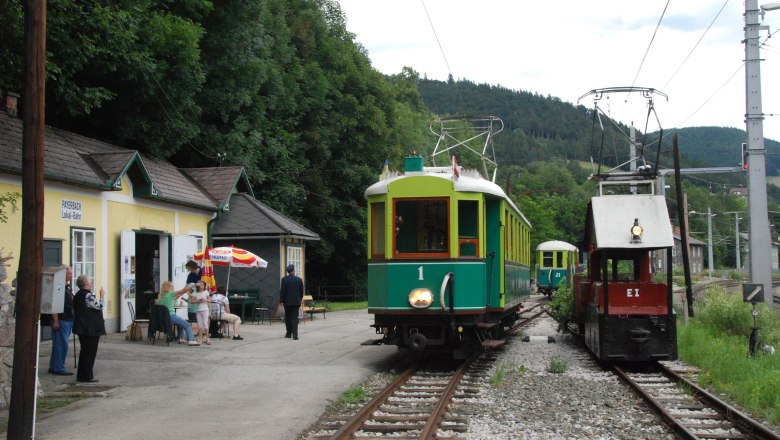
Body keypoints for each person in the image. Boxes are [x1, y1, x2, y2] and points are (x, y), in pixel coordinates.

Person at [73, 275, 106, 383]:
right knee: (90, 352)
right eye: (91, 282)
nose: (92, 284)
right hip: (90, 328)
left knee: (84, 352)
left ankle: (82, 375)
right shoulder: (87, 295)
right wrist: (102, 296)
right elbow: (99, 306)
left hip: (82, 327)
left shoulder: (78, 294)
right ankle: (87, 376)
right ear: (86, 284)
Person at [48, 266, 74, 376]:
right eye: (70, 273)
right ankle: (58, 367)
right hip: (62, 319)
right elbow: (54, 304)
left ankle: (54, 366)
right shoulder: (58, 287)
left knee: (59, 344)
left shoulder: (66, 287)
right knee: (61, 344)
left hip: (67, 319)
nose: (71, 275)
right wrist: (55, 321)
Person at [157, 281, 200, 346]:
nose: (173, 287)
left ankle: (180, 338)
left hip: (163, 318)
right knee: (187, 325)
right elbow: (183, 290)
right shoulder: (170, 293)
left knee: (180, 322)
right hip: (171, 316)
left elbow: (177, 296)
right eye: (171, 286)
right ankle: (191, 340)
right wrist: (194, 285)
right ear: (167, 287)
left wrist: (184, 291)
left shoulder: (161, 296)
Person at [279, 264, 304, 340]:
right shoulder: (299, 280)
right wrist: (299, 299)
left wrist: (281, 301)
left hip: (287, 302)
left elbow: (282, 292)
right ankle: (295, 335)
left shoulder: (284, 279)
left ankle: (288, 334)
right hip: (296, 302)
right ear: (293, 271)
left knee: (288, 317)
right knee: (294, 318)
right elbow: (301, 292)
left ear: (288, 272)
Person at [191, 280, 212, 344]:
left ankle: (207, 338)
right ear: (197, 286)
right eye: (200, 285)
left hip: (205, 310)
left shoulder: (206, 292)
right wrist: (197, 301)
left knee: (205, 323)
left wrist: (205, 299)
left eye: (203, 285)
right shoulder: (194, 293)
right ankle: (200, 337)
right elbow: (192, 301)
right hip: (198, 310)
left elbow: (210, 300)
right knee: (199, 324)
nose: (202, 286)